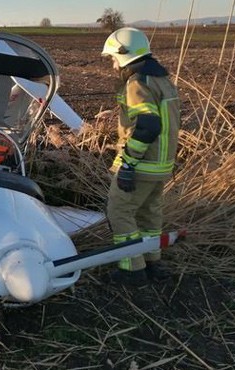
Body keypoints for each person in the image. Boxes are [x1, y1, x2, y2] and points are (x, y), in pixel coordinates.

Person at [101, 28, 181, 286]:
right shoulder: (162, 80)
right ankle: (151, 262)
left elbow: (147, 126)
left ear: (124, 55)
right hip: (161, 164)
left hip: (142, 165)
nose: (113, 64)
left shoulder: (137, 83)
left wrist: (128, 164)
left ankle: (131, 270)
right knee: (149, 215)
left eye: (113, 58)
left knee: (119, 211)